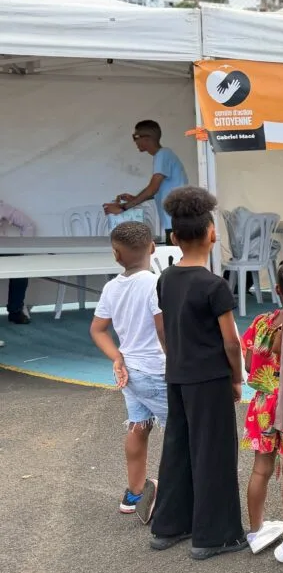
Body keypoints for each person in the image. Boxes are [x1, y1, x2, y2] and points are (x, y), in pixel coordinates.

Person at [149, 187, 247, 560]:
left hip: (177, 374)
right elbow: (231, 342)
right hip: (210, 378)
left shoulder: (166, 279)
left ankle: (169, 525)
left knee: (177, 448)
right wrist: (236, 377)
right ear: (212, 234)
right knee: (214, 452)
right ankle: (215, 536)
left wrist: (174, 357)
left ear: (174, 238)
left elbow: (163, 328)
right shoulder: (214, 286)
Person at [89, 221, 166, 522]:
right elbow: (163, 331)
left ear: (115, 254)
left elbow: (98, 329)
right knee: (179, 431)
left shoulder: (111, 287)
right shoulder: (155, 284)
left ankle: (134, 493)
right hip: (157, 370)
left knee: (138, 426)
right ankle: (174, 495)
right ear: (153, 248)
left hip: (130, 371)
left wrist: (117, 357)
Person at [241, 258, 283, 561]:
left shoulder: (261, 322)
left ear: (278, 290)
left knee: (261, 468)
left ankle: (256, 530)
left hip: (262, 403)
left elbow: (248, 364)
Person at [103, 120, 189, 241]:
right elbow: (160, 189)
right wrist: (135, 198)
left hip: (176, 222)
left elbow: (152, 189)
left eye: (135, 137)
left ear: (147, 138)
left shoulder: (162, 155)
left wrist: (123, 208)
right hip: (176, 221)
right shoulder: (164, 155)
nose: (134, 141)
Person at [1, 199, 35, 326]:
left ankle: (15, 311)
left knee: (20, 269)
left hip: (2, 249)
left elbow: (28, 225)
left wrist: (22, 248)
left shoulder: (1, 207)